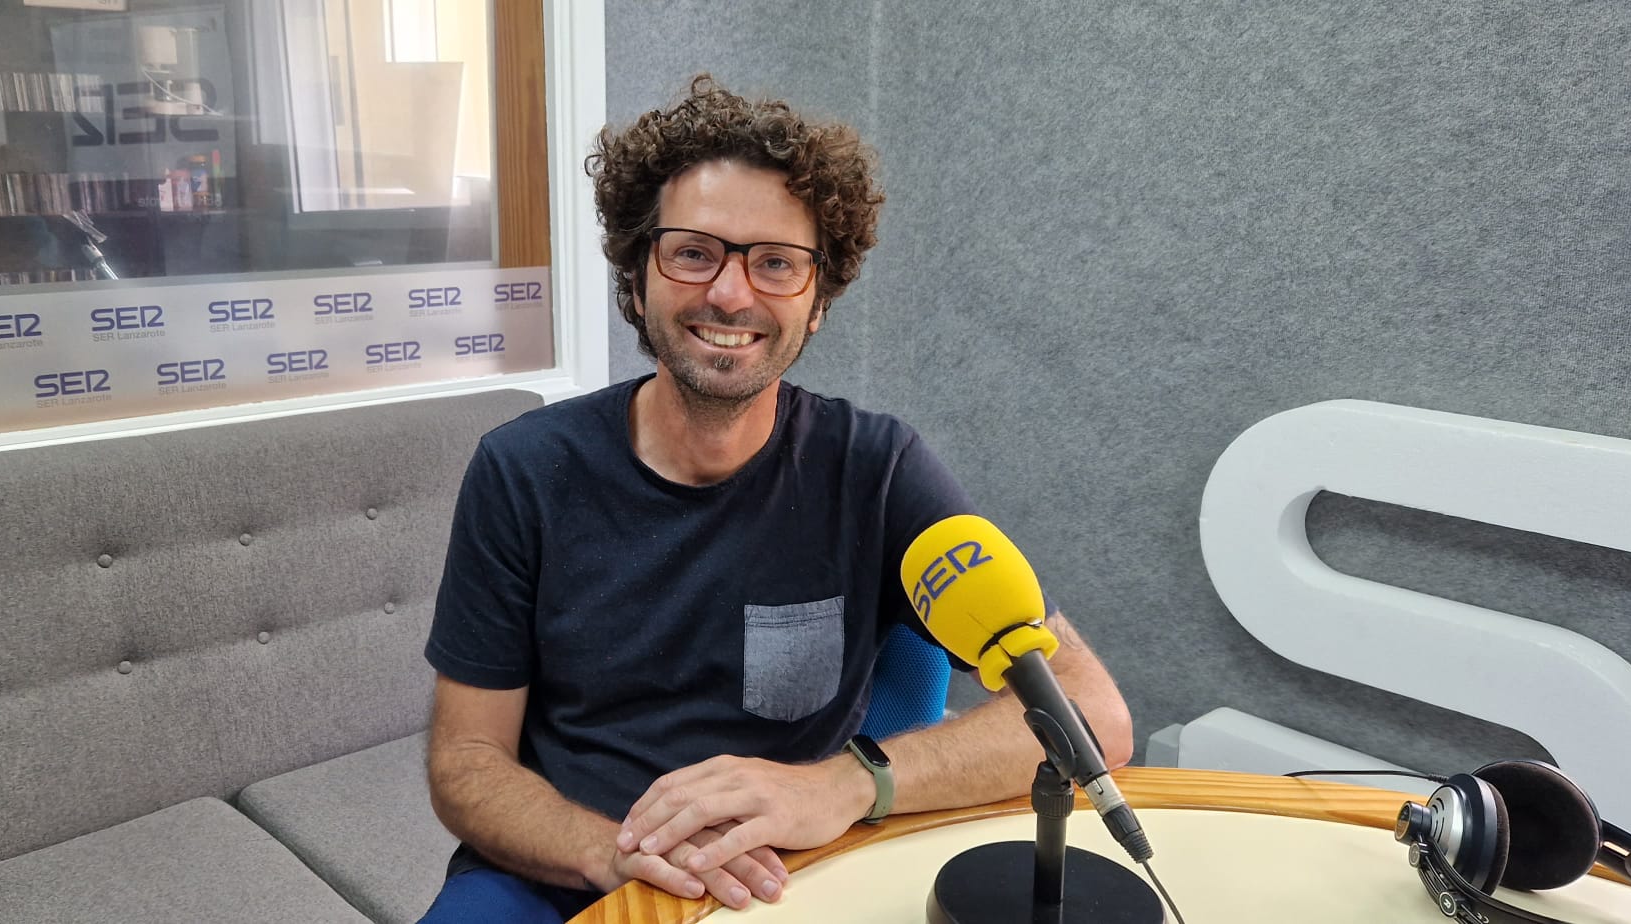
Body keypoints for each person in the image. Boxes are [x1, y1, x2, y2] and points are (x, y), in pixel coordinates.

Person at [419, 74, 1132, 924]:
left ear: (818, 300)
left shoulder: (879, 469)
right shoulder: (523, 469)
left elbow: (1093, 714)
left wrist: (846, 783)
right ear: (637, 273)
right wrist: (612, 852)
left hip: (791, 875)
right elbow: (466, 759)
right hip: (556, 875)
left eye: (775, 263)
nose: (730, 293)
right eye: (694, 252)